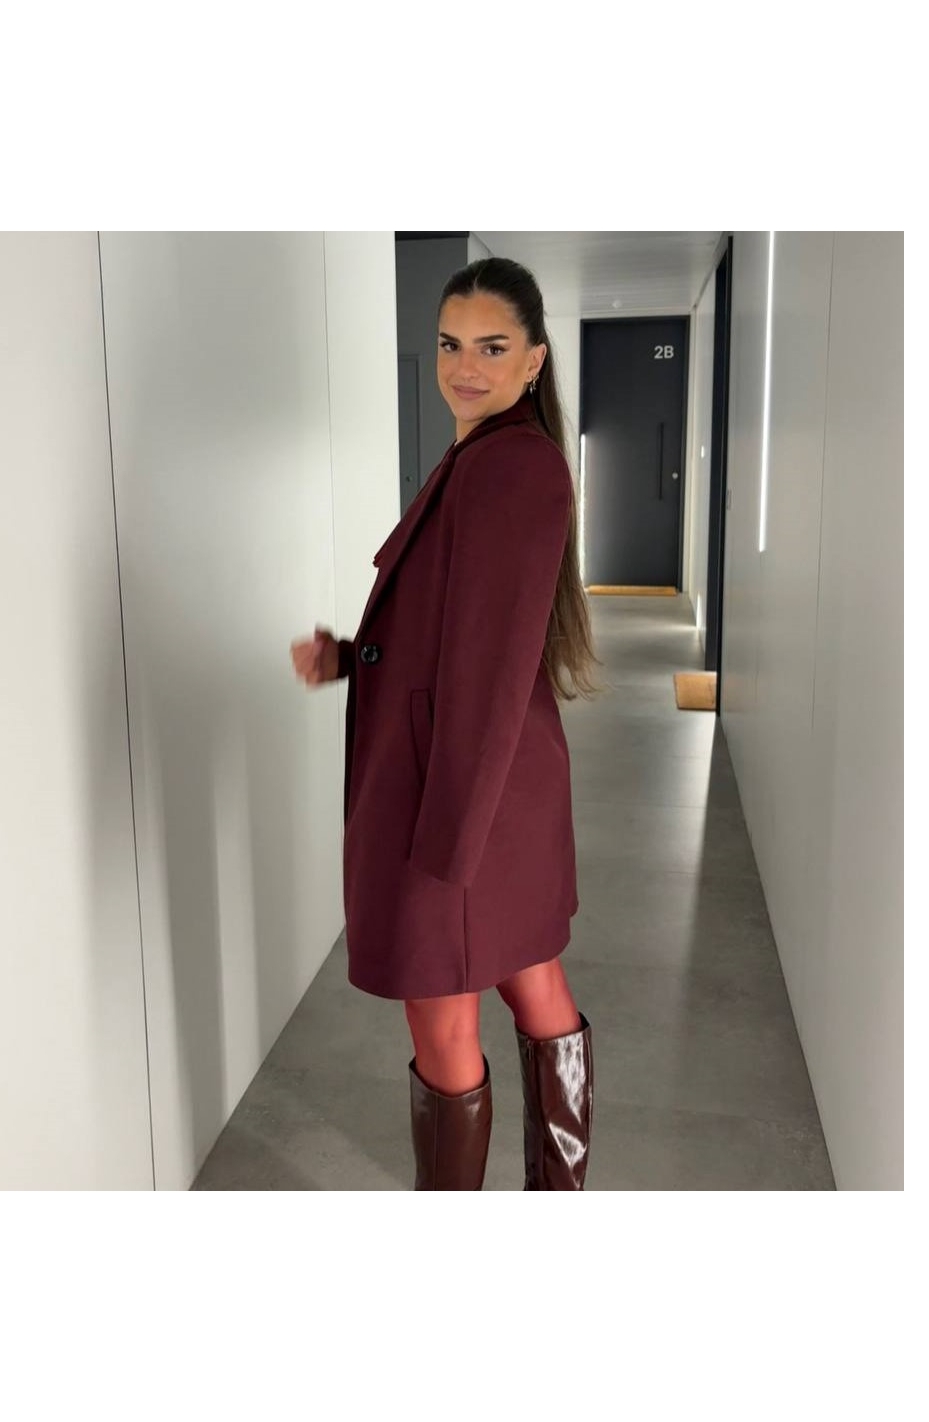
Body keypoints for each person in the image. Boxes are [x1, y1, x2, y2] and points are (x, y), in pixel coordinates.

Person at [291, 256, 604, 1190]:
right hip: (490, 787)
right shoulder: (488, 457)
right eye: (450, 344)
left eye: (492, 348)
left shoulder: (511, 469)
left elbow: (488, 670)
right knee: (531, 979)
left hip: (458, 798)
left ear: (535, 360)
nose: (465, 367)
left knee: (445, 1020)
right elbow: (456, 632)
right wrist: (356, 656)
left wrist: (447, 847)